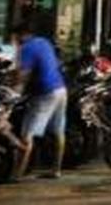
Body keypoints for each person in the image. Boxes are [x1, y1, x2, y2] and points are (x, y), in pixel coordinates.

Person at [10, 21, 67, 181]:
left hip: (44, 92)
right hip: (60, 89)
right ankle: (56, 170)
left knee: (27, 134)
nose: (15, 40)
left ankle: (17, 174)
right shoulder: (44, 42)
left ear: (23, 34)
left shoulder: (26, 48)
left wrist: (12, 84)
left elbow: (23, 75)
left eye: (16, 37)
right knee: (58, 131)